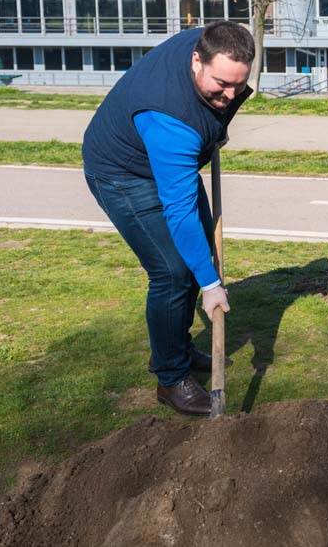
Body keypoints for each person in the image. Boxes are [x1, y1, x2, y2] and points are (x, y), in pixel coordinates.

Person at [82, 21, 254, 416]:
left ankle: (173, 347)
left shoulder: (212, 47)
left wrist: (216, 128)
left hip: (166, 158)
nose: (229, 95)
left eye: (238, 86)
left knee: (200, 248)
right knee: (174, 271)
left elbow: (222, 96)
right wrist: (211, 285)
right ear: (197, 60)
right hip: (122, 173)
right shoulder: (169, 121)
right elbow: (178, 214)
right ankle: (170, 377)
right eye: (220, 85)